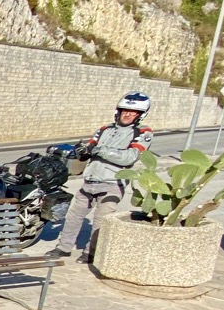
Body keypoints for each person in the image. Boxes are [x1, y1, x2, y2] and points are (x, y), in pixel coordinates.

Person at [48, 91, 154, 262]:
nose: (127, 114)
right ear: (118, 111)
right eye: (124, 110)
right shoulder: (105, 129)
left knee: (100, 221)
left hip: (113, 182)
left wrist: (101, 150)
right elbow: (90, 147)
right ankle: (63, 248)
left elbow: (130, 157)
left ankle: (91, 252)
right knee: (74, 216)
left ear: (141, 115)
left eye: (133, 112)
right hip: (91, 179)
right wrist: (80, 151)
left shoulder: (143, 132)